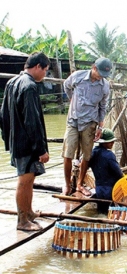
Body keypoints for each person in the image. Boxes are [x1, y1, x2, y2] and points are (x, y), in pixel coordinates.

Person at [0, 52, 51, 231]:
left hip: (17, 141)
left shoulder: (12, 83)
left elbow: (3, 115)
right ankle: (22, 221)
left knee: (28, 180)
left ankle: (28, 213)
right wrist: (41, 149)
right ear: (38, 67)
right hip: (27, 144)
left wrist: (7, 139)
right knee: (24, 181)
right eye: (45, 70)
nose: (45, 74)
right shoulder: (29, 86)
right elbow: (32, 121)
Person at [61, 57, 113, 196]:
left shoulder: (104, 85)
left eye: (104, 75)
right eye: (100, 73)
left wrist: (100, 126)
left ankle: (79, 184)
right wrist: (72, 100)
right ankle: (66, 184)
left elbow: (103, 106)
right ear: (94, 68)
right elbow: (66, 86)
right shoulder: (78, 76)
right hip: (73, 120)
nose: (101, 76)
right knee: (68, 154)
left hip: (90, 123)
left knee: (87, 155)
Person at [89, 128, 123, 208]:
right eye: (110, 141)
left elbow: (85, 164)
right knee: (112, 212)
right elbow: (118, 174)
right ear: (104, 143)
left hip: (99, 190)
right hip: (110, 191)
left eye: (112, 141)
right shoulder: (109, 155)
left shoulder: (93, 153)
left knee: (101, 210)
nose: (112, 143)